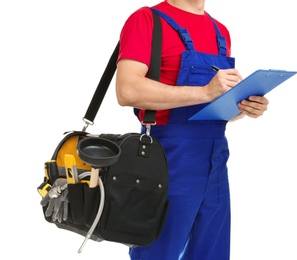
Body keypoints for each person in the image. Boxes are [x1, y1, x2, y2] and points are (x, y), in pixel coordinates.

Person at [115, 1, 269, 259]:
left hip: (215, 160)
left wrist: (243, 108)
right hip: (166, 160)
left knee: (212, 254)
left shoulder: (220, 31)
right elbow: (126, 90)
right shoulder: (148, 20)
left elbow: (209, 107)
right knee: (157, 253)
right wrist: (206, 91)